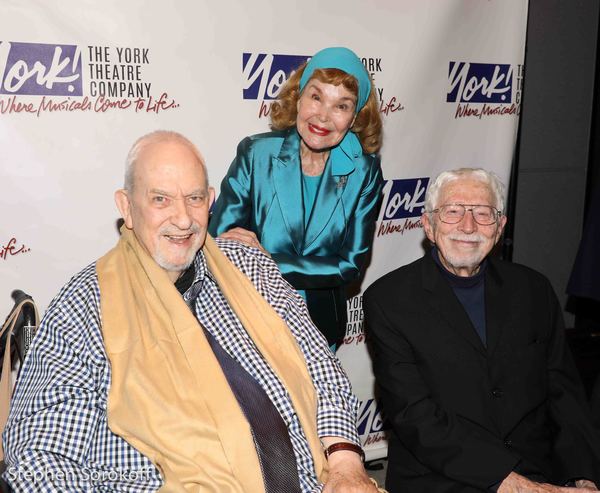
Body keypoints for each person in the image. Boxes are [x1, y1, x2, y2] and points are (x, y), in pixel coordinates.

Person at [2, 131, 380, 493]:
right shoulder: (84, 306)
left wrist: (345, 465)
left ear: (211, 201)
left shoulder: (251, 267)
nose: (183, 220)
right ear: (126, 206)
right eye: (161, 200)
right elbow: (39, 458)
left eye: (194, 198)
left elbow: (321, 368)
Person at [363, 168, 600, 492]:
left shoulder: (534, 290)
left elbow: (564, 393)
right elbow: (416, 416)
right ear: (429, 226)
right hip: (438, 478)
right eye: (453, 212)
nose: (468, 226)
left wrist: (584, 475)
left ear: (500, 227)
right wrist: (516, 486)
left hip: (537, 470)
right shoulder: (389, 299)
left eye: (483, 213)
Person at [209, 46, 383, 348]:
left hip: (318, 330)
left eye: (341, 106)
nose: (323, 117)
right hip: (248, 321)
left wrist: (268, 260)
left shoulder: (364, 173)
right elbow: (219, 243)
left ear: (355, 116)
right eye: (316, 97)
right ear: (298, 97)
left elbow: (350, 265)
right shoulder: (256, 154)